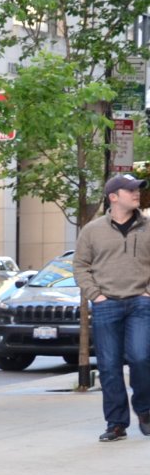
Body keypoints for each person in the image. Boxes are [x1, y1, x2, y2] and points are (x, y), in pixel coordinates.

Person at [73, 173, 150, 442]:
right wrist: (95, 294)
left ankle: (145, 409)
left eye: (138, 189)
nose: (137, 193)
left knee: (141, 358)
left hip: (141, 303)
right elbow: (80, 266)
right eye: (131, 190)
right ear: (113, 196)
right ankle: (116, 423)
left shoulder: (148, 226)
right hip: (106, 305)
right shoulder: (92, 230)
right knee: (109, 366)